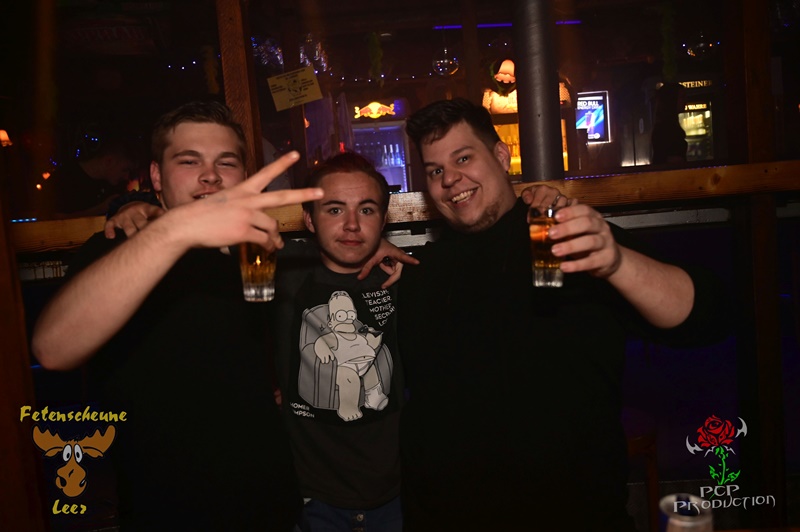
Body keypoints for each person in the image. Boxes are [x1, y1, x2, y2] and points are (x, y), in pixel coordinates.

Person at [397, 98, 728, 531]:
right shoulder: (421, 271)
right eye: (434, 170)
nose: (450, 179)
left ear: (501, 156)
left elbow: (707, 315)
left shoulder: (557, 235)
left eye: (463, 158)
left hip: (573, 516)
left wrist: (617, 264)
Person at [31, 101, 325, 530]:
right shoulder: (118, 248)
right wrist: (174, 228)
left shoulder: (256, 250)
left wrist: (376, 250)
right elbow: (53, 349)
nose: (211, 176)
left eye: (226, 162)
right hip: (168, 508)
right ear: (156, 177)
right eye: (189, 161)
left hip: (271, 502)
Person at [271, 152, 405, 531]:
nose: (351, 225)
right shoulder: (283, 273)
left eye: (366, 210)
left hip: (397, 494)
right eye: (334, 210)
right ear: (309, 219)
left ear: (384, 218)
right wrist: (137, 208)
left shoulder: (403, 278)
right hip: (312, 498)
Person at [37, 133, 141, 219]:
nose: (126, 176)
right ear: (108, 161)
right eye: (124, 170)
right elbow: (53, 221)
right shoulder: (63, 179)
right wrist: (100, 209)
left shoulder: (111, 186)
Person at [651, 82, 688, 165]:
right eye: (682, 97)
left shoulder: (662, 126)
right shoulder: (667, 129)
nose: (686, 101)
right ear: (672, 99)